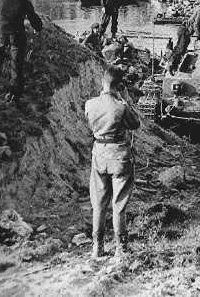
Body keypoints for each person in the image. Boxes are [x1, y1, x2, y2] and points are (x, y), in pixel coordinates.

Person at [85, 66, 140, 260]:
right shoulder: (121, 106)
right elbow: (135, 124)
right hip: (119, 155)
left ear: (102, 82)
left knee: (98, 204)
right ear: (118, 85)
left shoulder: (89, 104)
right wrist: (124, 99)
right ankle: (120, 248)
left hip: (99, 153)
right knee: (118, 205)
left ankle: (97, 247)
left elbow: (90, 125)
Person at [0, 0, 43, 103]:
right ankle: (14, 93)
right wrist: (39, 29)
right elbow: (34, 20)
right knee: (16, 65)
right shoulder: (24, 2)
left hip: (1, 35)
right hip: (16, 36)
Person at [169, 4, 200, 73]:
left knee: (183, 50)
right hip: (184, 30)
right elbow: (196, 25)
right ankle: (171, 65)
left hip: (187, 33)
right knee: (180, 49)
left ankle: (175, 67)